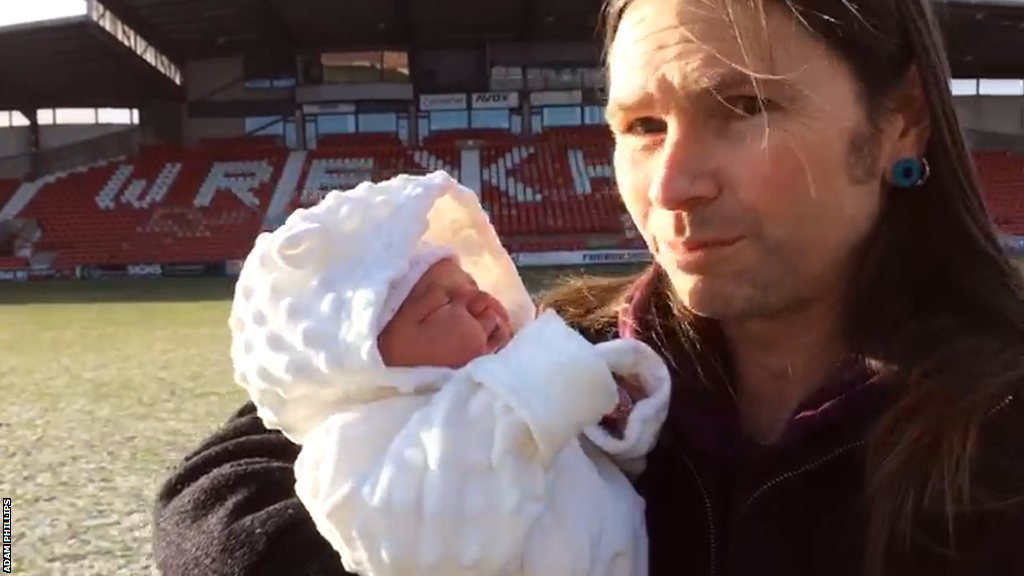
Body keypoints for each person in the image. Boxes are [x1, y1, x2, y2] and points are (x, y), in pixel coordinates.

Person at [153, 0, 1024, 575]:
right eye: (641, 126)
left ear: (900, 118)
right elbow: (214, 502)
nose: (672, 184)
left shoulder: (999, 435)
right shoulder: (547, 343)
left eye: (747, 106)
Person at [227, 172, 671, 576]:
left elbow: (606, 456)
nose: (482, 304)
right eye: (442, 304)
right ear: (368, 363)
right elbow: (419, 537)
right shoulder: (357, 449)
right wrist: (546, 384)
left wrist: (618, 412)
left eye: (474, 287)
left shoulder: (514, 380)